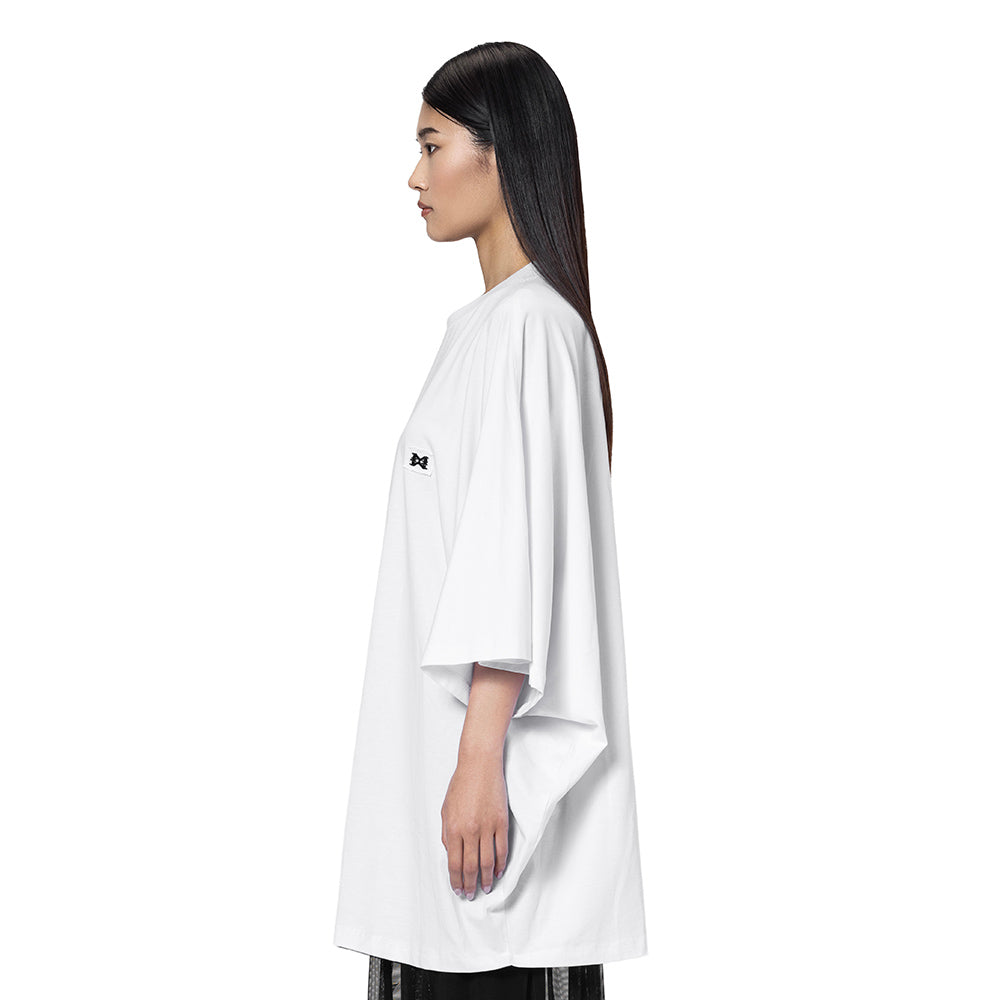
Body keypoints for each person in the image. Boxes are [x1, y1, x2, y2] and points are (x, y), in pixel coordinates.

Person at [333, 42, 647, 999]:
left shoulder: (531, 329)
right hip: (445, 833)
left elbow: (511, 560)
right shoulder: (489, 331)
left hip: (492, 836)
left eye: (432, 146)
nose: (414, 177)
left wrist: (477, 765)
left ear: (499, 153)